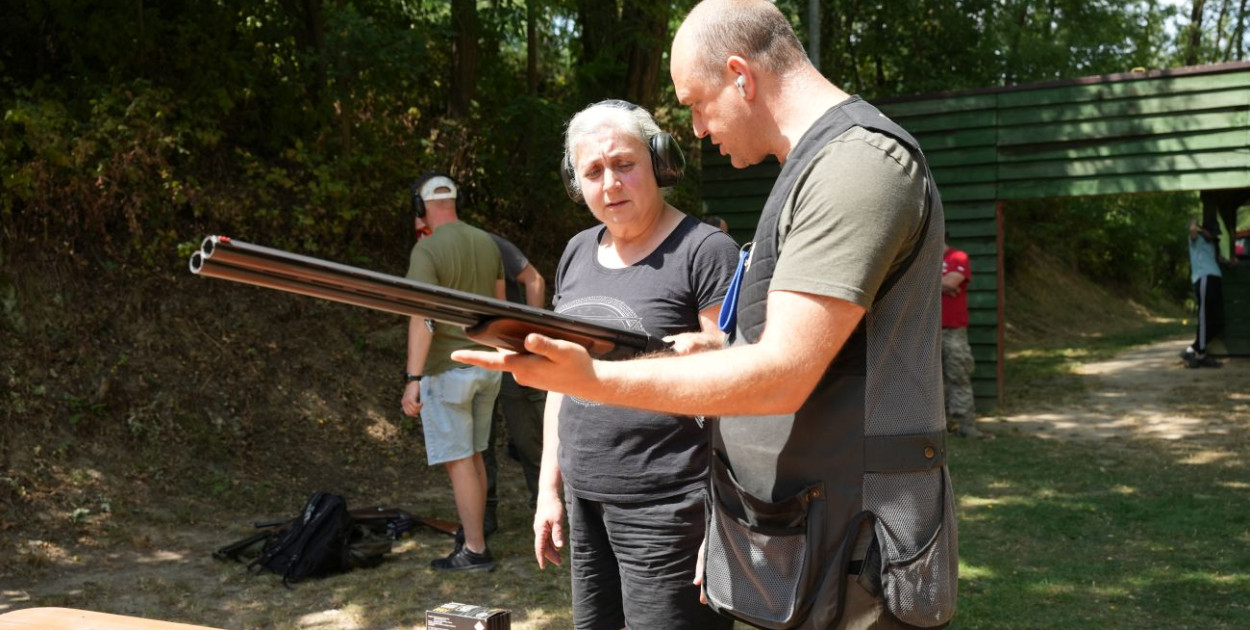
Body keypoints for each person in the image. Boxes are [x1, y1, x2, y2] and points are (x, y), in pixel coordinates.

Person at [454, 1, 958, 628]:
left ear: (741, 76)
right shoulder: (813, 168)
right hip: (816, 529)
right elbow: (808, 350)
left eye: (695, 103)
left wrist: (592, 379)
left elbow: (783, 375)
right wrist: (717, 352)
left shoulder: (854, 166)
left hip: (858, 540)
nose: (693, 130)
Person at [537, 99, 739, 630]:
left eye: (624, 164)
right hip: (587, 501)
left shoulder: (705, 250)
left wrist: (725, 521)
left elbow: (741, 392)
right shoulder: (577, 252)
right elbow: (562, 381)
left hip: (671, 507)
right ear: (575, 183)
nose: (611, 184)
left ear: (659, 163)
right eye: (594, 171)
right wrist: (548, 490)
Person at [401, 172, 504, 571]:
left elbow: (422, 317)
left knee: (459, 460)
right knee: (475, 455)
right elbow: (500, 309)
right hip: (487, 365)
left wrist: (412, 379)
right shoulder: (486, 241)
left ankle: (475, 548)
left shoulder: (427, 251)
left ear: (420, 207)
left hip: (447, 368)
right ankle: (474, 536)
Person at [482, 232, 547, 530]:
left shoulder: (489, 243)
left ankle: (544, 505)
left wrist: (529, 338)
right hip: (474, 355)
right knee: (480, 444)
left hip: (510, 349)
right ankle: (485, 515)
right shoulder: (437, 248)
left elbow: (534, 279)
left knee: (528, 437)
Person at [1182, 217, 1237, 368]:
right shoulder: (1196, 239)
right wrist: (1200, 228)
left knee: (1218, 321)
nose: (1215, 236)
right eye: (1213, 232)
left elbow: (1220, 260)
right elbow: (1192, 227)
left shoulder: (1213, 244)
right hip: (1204, 277)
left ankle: (1197, 351)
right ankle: (1194, 351)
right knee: (1205, 317)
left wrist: (1230, 262)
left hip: (1216, 278)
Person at [942, 239, 983, 438]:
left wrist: (928, 283)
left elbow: (952, 282)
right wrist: (943, 285)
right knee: (929, 381)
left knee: (959, 375)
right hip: (926, 332)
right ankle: (941, 427)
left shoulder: (957, 257)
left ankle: (966, 426)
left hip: (953, 330)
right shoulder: (922, 260)